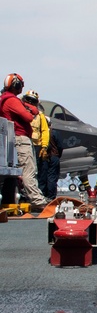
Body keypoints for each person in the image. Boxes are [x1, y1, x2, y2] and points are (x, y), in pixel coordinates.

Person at [0, 74, 49, 211]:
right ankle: (38, 201)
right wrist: (32, 110)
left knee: (14, 173)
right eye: (20, 84)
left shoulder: (6, 99)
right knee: (29, 170)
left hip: (13, 138)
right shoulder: (12, 100)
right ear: (16, 85)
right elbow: (28, 117)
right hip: (21, 139)